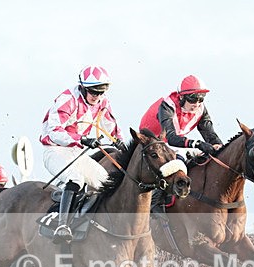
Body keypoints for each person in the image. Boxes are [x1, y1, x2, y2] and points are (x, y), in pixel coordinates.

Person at [40, 65, 126, 244]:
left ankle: (91, 223)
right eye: (93, 92)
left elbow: (111, 127)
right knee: (75, 179)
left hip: (76, 153)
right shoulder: (67, 99)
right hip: (55, 150)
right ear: (83, 88)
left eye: (101, 92)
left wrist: (120, 142)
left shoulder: (103, 102)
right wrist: (83, 139)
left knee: (105, 182)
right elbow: (53, 131)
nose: (97, 96)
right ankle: (62, 226)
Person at [139, 74, 223, 157]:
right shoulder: (167, 106)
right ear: (182, 97)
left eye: (201, 99)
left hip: (174, 140)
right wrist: (198, 144)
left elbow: (209, 133)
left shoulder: (200, 108)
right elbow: (171, 138)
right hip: (152, 142)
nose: (197, 104)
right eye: (192, 99)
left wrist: (218, 145)